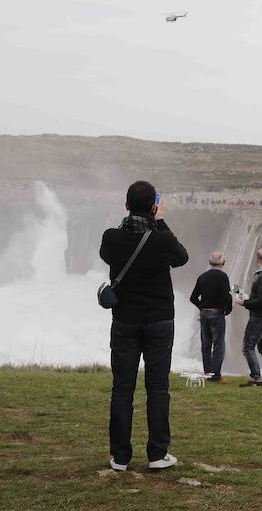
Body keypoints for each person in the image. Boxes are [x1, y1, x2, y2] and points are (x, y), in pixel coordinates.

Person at [100, 180, 189, 472]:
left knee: (122, 388)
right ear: (154, 206)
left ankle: (120, 457)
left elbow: (107, 254)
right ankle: (157, 453)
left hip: (124, 321)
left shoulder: (112, 238)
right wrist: (160, 222)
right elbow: (182, 257)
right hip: (159, 321)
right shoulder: (161, 240)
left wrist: (136, 219)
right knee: (158, 388)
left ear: (126, 206)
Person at [235, 248, 262, 387]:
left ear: (257, 258)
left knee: (248, 347)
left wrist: (245, 303)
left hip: (260, 317)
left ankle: (255, 377)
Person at [189, 251, 232, 384]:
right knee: (218, 344)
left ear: (209, 263)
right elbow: (227, 296)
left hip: (204, 314)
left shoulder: (202, 277)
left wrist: (202, 306)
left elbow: (193, 297)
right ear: (223, 263)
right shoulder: (223, 277)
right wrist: (227, 309)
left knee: (206, 344)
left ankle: (207, 373)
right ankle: (215, 375)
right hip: (217, 313)